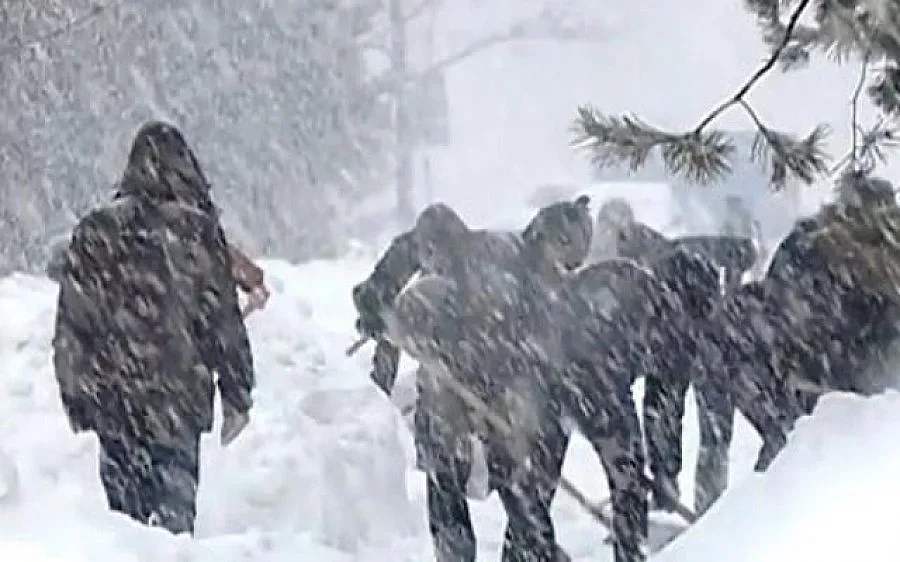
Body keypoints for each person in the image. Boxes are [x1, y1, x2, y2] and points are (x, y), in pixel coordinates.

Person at [352, 197, 594, 562]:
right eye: (426, 256)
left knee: (521, 470)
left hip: (511, 384)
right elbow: (393, 274)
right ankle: (457, 552)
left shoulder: (520, 278)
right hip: (450, 380)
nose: (432, 264)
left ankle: (529, 548)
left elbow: (544, 341)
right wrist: (373, 307)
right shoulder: (443, 252)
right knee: (444, 466)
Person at [51, 121, 256, 535]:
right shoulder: (197, 234)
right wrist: (237, 390)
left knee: (126, 536)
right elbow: (222, 324)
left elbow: (74, 324)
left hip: (113, 405)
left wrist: (76, 396)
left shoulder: (96, 232)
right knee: (172, 533)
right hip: (176, 408)